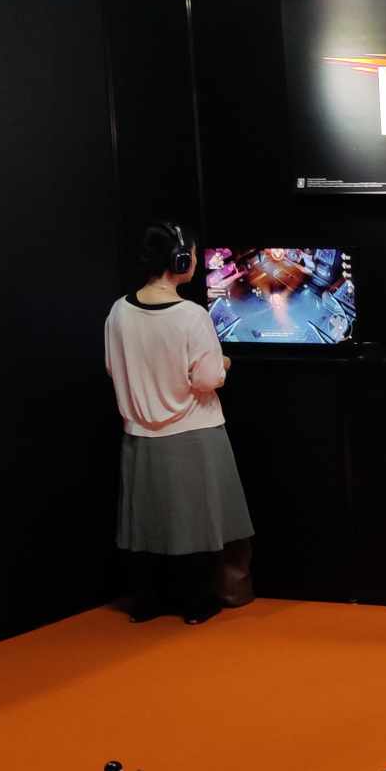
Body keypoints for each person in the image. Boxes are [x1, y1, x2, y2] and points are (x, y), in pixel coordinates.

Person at [105, 222, 255, 625]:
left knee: (147, 523)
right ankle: (196, 603)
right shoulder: (191, 315)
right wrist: (223, 364)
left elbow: (114, 367)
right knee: (198, 523)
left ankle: (148, 602)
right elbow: (206, 379)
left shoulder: (118, 312)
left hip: (138, 434)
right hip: (194, 432)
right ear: (181, 260)